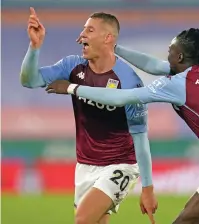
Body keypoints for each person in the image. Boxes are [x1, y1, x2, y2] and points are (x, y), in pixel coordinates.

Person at [47, 28, 199, 224]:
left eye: (171, 51)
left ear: (181, 56)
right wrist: (115, 49)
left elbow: (121, 98)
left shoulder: (178, 84)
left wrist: (71, 88)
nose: (167, 55)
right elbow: (153, 65)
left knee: (184, 221)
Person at [20, 7, 157, 224]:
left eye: (90, 30)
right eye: (83, 29)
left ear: (108, 38)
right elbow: (30, 80)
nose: (82, 34)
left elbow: (140, 138)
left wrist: (148, 189)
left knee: (82, 220)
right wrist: (34, 47)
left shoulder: (129, 81)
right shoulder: (73, 66)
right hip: (84, 165)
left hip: (120, 164)